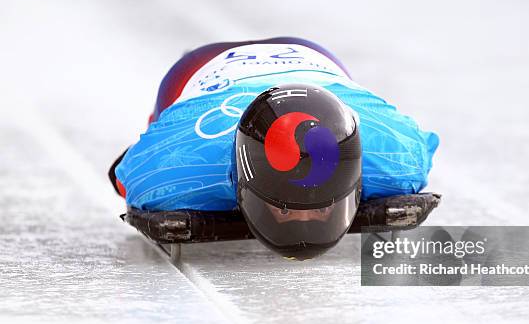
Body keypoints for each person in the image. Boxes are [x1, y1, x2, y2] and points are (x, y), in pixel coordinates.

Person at [109, 37, 439, 257]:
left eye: (323, 206)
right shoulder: (176, 167)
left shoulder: (396, 153)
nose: (305, 218)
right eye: (284, 208)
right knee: (160, 122)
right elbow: (127, 177)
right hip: (200, 74)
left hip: (317, 65)